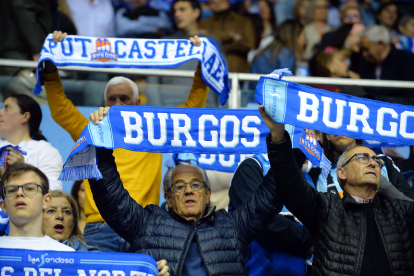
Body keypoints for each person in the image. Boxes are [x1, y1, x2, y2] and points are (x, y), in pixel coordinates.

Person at [43, 31, 210, 252]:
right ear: (104, 103)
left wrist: (201, 61)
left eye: (124, 99)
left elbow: (192, 108)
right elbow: (61, 108)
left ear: (138, 103)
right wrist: (51, 61)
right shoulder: (92, 131)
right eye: (112, 99)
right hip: (99, 229)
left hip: (142, 226)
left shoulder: (154, 131)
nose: (118, 104)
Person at [86, 106, 283, 276]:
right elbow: (110, 196)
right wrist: (101, 141)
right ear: (168, 198)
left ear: (207, 194)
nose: (189, 190)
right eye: (179, 186)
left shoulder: (233, 226)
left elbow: (272, 194)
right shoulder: (145, 224)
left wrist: (279, 139)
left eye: (196, 185)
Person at [259, 105, 414, 275]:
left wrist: (388, 188)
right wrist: (279, 137)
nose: (372, 163)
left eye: (376, 160)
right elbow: (290, 186)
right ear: (342, 172)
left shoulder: (399, 210)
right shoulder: (327, 207)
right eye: (363, 158)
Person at [229, 152, 314, 276]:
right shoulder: (253, 166)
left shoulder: (308, 178)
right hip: (253, 270)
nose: (308, 150)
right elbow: (257, 217)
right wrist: (308, 239)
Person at [146, 0, 224, 108]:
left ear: (196, 13)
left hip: (206, 110)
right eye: (174, 11)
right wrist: (156, 112)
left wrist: (221, 114)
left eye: (182, 9)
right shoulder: (164, 43)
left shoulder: (211, 42)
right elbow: (152, 82)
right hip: (169, 110)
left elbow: (222, 80)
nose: (177, 14)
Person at [308, 133, 414, 200]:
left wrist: (384, 187)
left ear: (358, 130)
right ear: (327, 135)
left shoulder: (383, 162)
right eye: (333, 125)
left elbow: (408, 205)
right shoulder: (316, 172)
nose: (339, 129)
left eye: (346, 122)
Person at [0, 163, 73, 251]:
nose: (19, 193)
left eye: (30, 188)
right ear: (3, 206)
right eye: (12, 190)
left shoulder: (66, 255)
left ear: (46, 201)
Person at [0, 94, 63, 191]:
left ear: (25, 117)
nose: (0, 112)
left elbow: (53, 194)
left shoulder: (46, 152)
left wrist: (23, 171)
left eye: (7, 108)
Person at [359, 25, 414, 102]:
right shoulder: (367, 66)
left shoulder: (407, 60)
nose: (364, 54)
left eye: (366, 49)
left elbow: (410, 96)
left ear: (381, 44)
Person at [199, 0, 256, 72]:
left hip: (237, 71)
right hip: (211, 71)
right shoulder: (204, 23)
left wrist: (221, 47)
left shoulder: (243, 22)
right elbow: (202, 41)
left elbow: (249, 45)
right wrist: (230, 36)